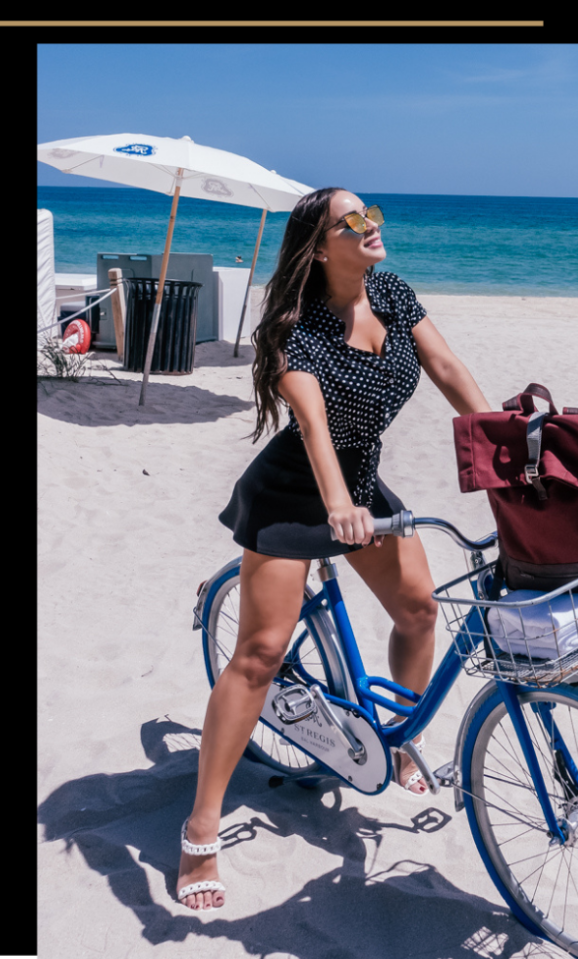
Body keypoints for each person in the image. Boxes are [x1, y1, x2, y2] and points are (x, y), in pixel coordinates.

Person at [176, 188, 493, 910]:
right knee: (259, 654)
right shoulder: (296, 330)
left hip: (359, 482)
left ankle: (396, 737)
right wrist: (339, 507)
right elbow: (313, 427)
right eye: (351, 222)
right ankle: (200, 829)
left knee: (418, 611)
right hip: (296, 492)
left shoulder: (392, 293)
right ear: (321, 248)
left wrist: (502, 438)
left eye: (372, 214)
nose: (369, 226)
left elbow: (446, 369)